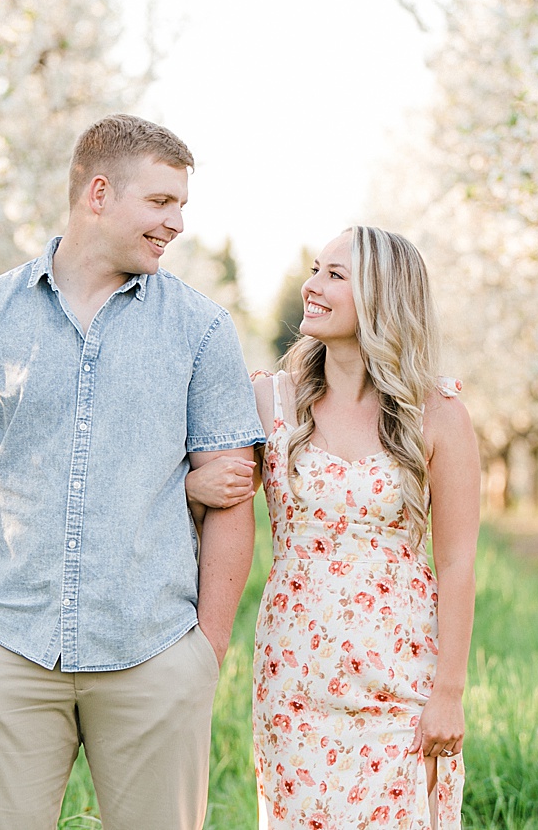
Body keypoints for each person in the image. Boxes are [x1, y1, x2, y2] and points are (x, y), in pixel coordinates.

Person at [0, 113, 266, 830]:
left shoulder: (202, 328)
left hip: (153, 653)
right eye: (161, 203)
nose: (176, 224)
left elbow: (232, 493)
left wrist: (207, 649)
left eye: (182, 207)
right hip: (5, 649)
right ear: (98, 193)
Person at [188, 226, 479, 828]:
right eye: (316, 270)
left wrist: (448, 691)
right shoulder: (271, 401)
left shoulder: (439, 414)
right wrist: (193, 486)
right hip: (294, 671)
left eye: (335, 276)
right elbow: (202, 498)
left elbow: (457, 563)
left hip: (401, 672)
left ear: (382, 297)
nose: (311, 286)